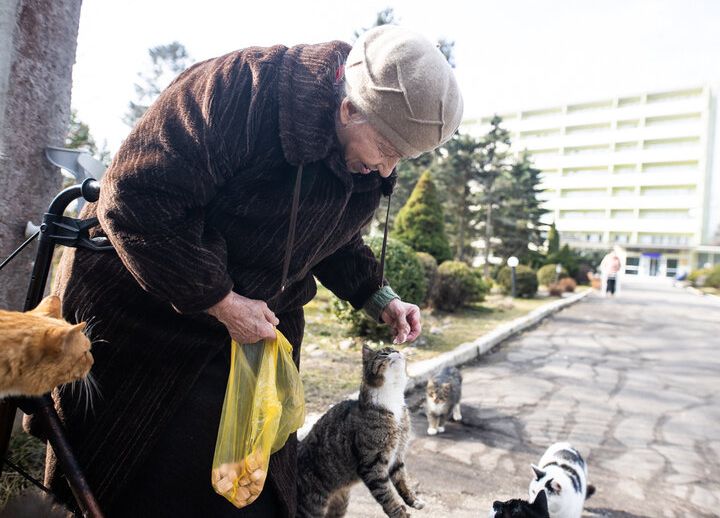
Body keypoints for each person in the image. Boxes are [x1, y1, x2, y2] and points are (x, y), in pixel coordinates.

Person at [26, 25, 462, 517]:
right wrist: (220, 300)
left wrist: (379, 297)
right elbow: (134, 198)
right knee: (154, 482)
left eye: (399, 160)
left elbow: (330, 234)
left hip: (256, 327)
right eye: (385, 152)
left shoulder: (364, 151)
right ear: (348, 110)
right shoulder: (240, 89)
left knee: (256, 490)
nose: (386, 171)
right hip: (152, 307)